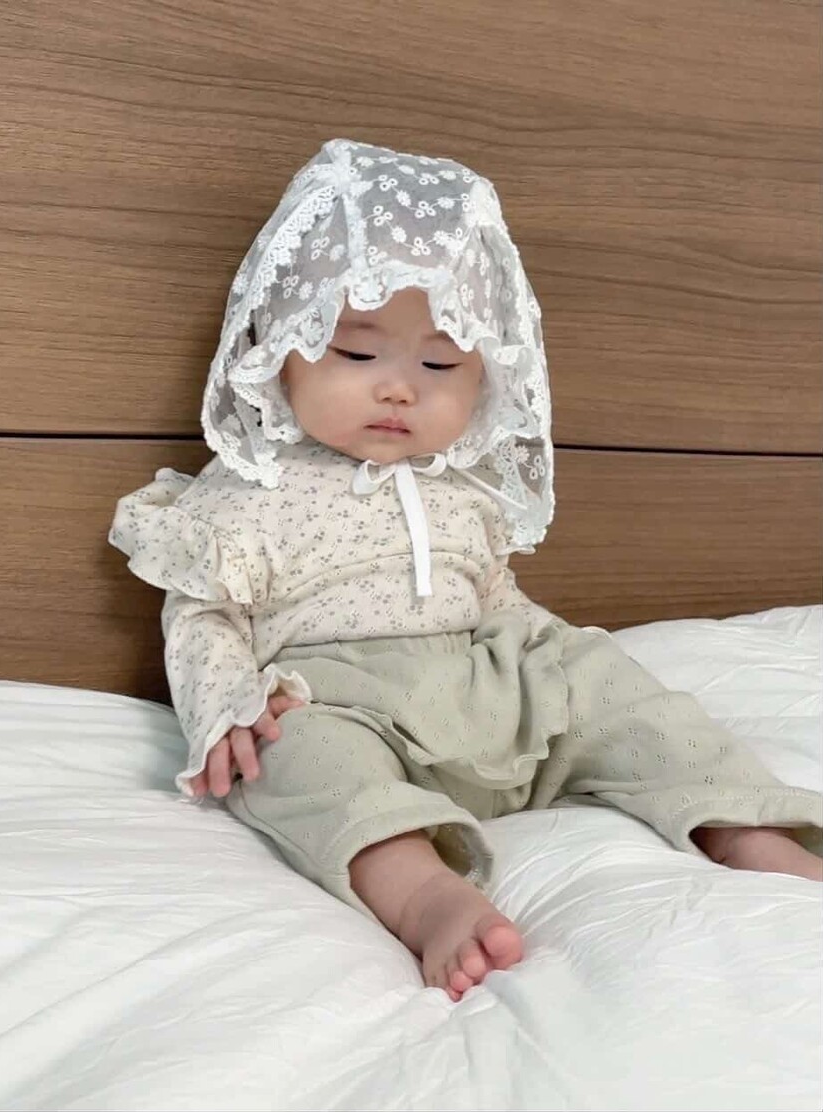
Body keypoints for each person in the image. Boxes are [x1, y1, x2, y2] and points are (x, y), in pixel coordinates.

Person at [110, 138, 822, 1001]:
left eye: (441, 364)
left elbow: (496, 599)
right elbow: (204, 616)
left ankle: (739, 824)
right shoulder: (249, 491)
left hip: (482, 685)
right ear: (277, 346)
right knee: (295, 757)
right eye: (357, 354)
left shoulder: (465, 489)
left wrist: (558, 662)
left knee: (611, 684)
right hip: (345, 703)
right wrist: (228, 703)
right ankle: (424, 892)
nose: (399, 389)